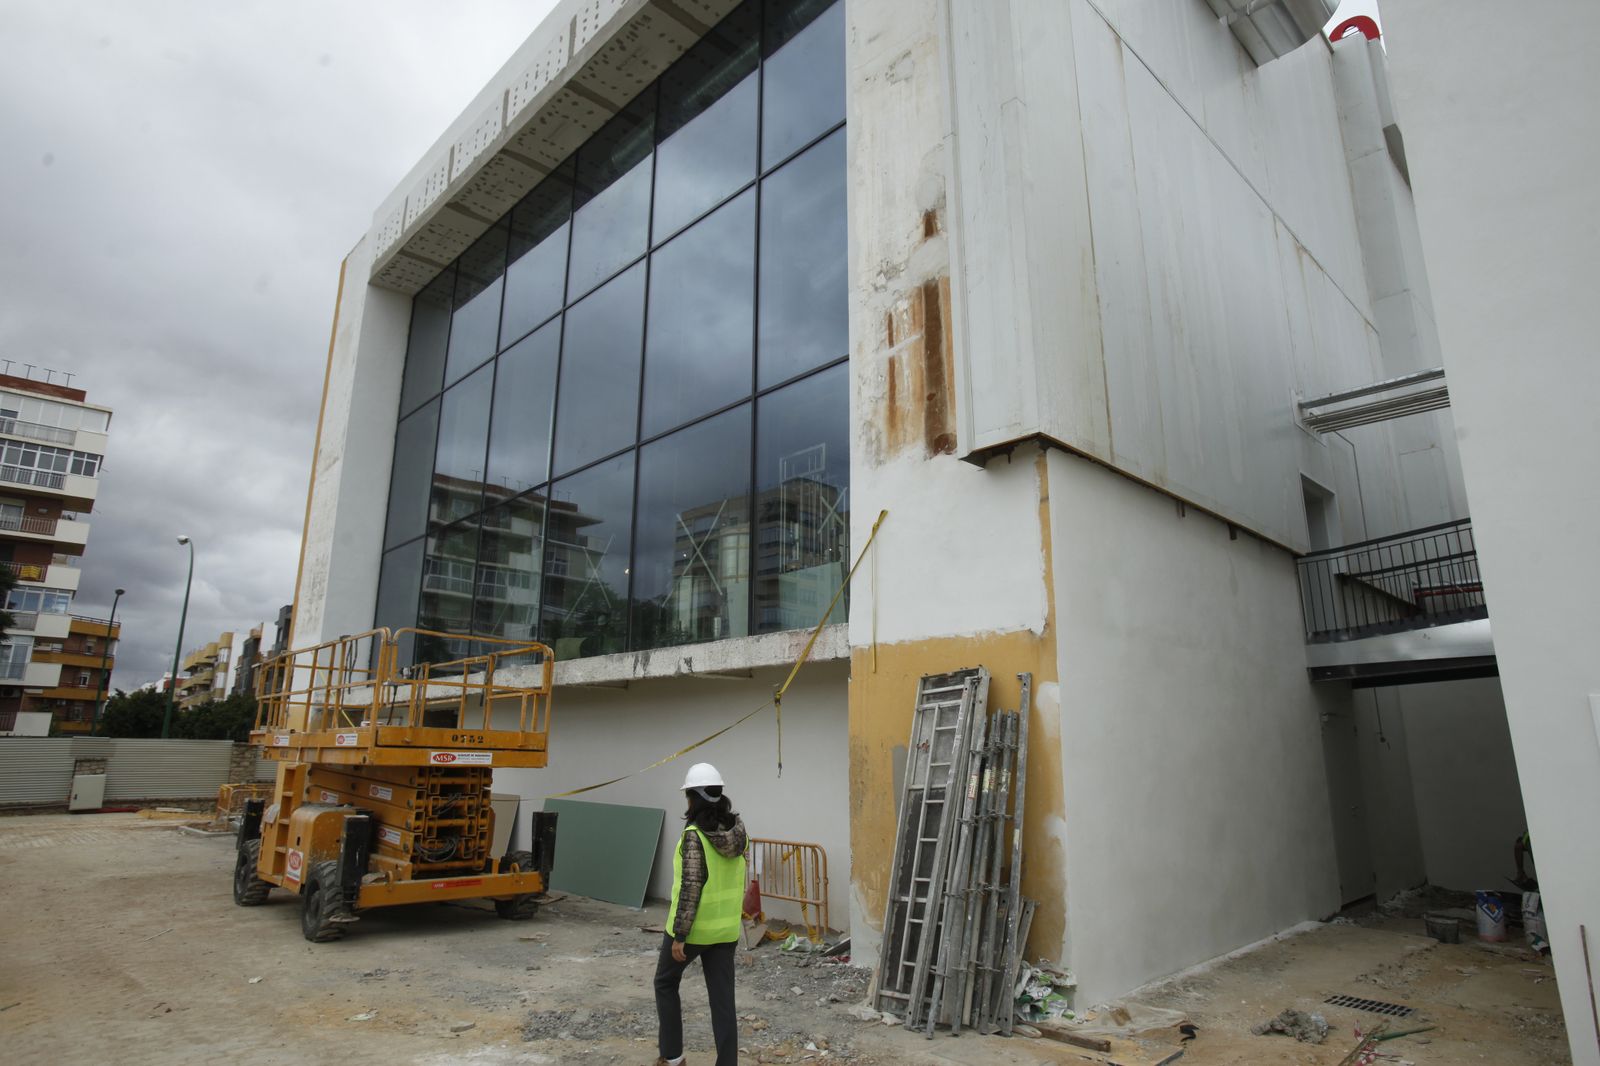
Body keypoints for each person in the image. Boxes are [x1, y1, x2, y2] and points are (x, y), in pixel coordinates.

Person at [652, 762, 747, 1066]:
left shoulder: (694, 836)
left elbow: (691, 887)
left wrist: (680, 935)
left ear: (693, 798)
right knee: (722, 1000)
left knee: (665, 983)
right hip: (727, 931)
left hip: (694, 931)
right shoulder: (737, 832)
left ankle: (672, 1057)